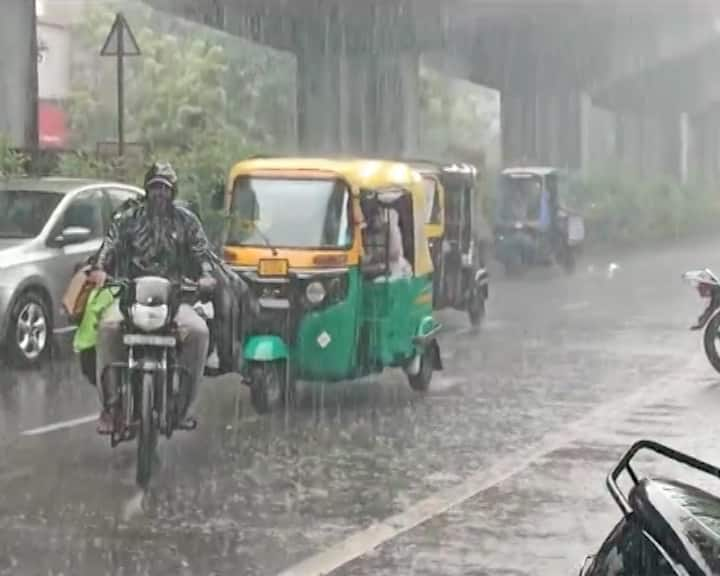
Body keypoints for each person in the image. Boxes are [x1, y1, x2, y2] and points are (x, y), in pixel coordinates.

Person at [88, 162, 216, 434]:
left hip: (176, 297)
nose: (159, 194)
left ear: (173, 192)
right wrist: (100, 268)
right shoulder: (128, 219)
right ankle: (111, 407)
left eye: (165, 189)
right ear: (147, 190)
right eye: (155, 187)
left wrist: (205, 274)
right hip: (130, 296)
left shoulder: (187, 221)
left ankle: (183, 405)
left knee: (198, 331)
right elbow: (109, 245)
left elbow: (202, 253)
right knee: (108, 329)